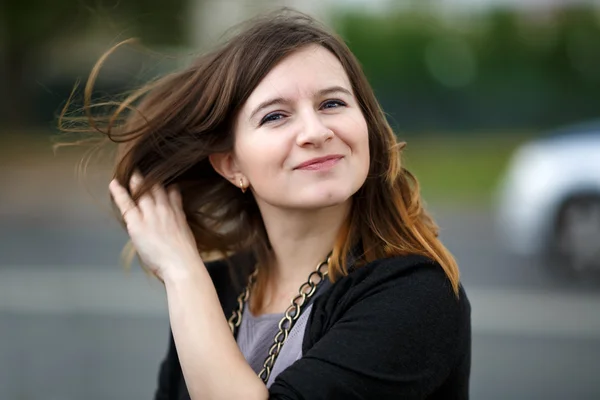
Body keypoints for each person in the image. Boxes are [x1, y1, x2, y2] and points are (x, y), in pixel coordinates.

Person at [68, 8, 471, 399]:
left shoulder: (416, 294)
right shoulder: (215, 287)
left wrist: (180, 270)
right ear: (232, 164)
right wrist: (191, 278)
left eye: (332, 103)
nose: (315, 132)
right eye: (275, 116)